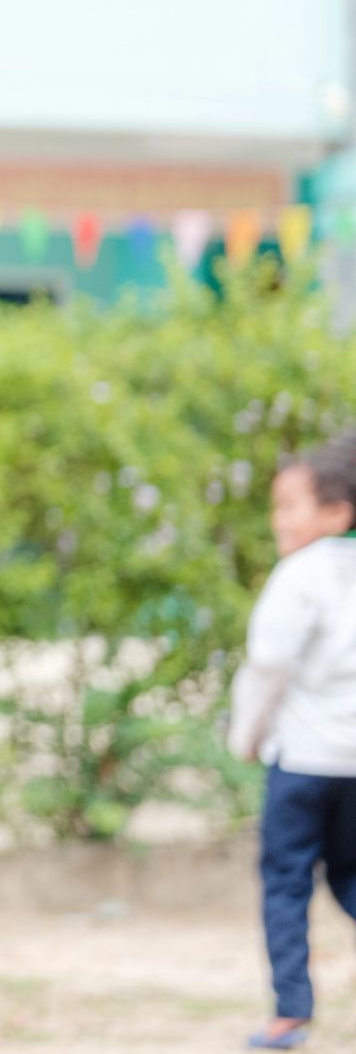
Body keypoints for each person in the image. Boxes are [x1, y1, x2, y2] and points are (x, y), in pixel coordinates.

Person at [229, 432, 356, 1051]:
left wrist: (245, 738)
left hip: (303, 765)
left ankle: (290, 1014)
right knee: (351, 878)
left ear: (338, 512)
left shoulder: (299, 574)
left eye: (289, 507)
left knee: (286, 881)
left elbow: (267, 669)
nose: (278, 520)